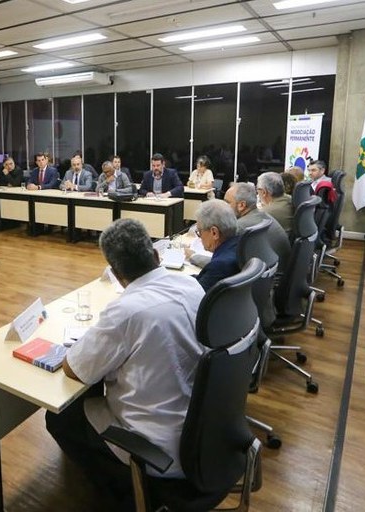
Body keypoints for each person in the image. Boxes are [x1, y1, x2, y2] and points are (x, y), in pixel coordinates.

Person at [45, 218, 205, 503]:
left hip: (158, 446)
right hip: (201, 426)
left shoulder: (126, 311)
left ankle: (125, 495)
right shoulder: (192, 286)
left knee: (59, 417)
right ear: (156, 255)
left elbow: (75, 369)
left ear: (116, 274)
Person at [193, 199, 240, 291]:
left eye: (200, 232)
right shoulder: (240, 244)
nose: (199, 237)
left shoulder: (220, 266)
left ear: (214, 233)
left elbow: (195, 296)